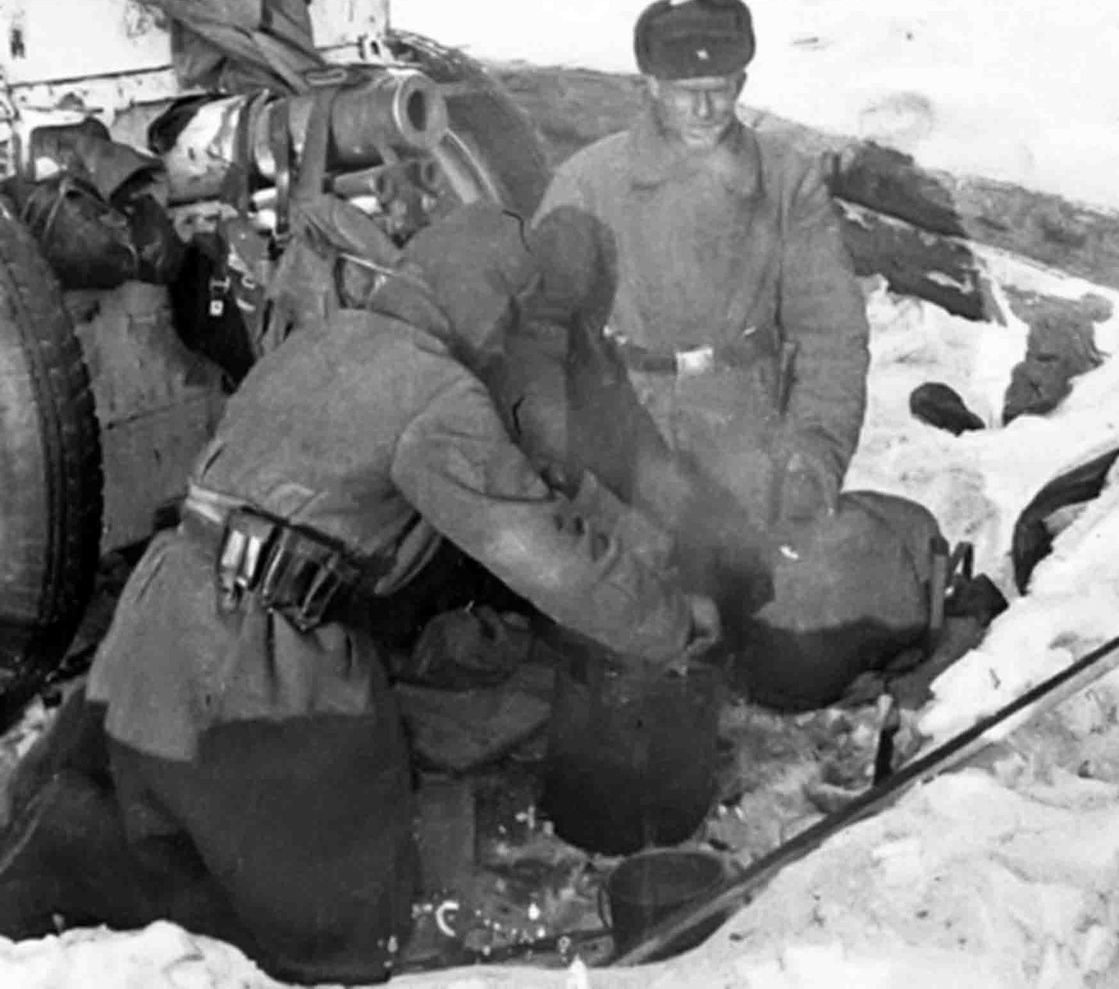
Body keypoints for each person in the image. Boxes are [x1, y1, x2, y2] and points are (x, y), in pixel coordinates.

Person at [0, 204, 718, 985]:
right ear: (482, 301)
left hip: (159, 610)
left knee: (136, 831)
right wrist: (669, 622)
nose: (506, 340)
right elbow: (545, 554)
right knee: (340, 917)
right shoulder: (437, 395)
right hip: (256, 652)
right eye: (509, 315)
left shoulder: (325, 338)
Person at [536, 0, 870, 531]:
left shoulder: (786, 181)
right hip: (625, 432)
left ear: (741, 83)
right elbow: (540, 335)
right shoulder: (589, 183)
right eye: (686, 92)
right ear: (652, 85)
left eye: (719, 89)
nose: (705, 110)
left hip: (747, 434)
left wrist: (814, 452)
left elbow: (831, 332)